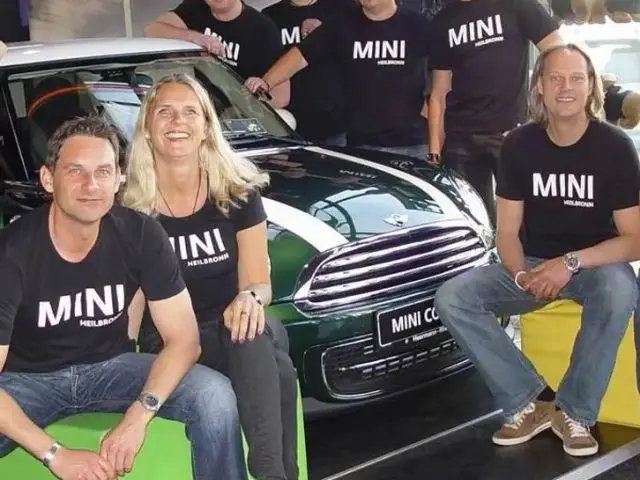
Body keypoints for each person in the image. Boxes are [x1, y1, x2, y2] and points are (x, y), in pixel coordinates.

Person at [0, 115, 246, 480]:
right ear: (48, 179)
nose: (91, 185)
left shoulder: (140, 233)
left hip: (111, 368)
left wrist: (138, 417)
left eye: (103, 172)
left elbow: (184, 341)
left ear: (119, 179)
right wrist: (55, 454)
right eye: (76, 171)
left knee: (213, 395)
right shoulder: (12, 252)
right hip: (28, 380)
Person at [434, 44, 640, 458]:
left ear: (591, 87)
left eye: (576, 78)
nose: (566, 87)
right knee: (453, 297)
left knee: (620, 289)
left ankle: (575, 412)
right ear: (539, 87)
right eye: (555, 78)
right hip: (531, 264)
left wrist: (570, 263)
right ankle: (530, 400)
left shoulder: (615, 147)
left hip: (592, 266)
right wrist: (521, 275)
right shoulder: (519, 144)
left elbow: (634, 239)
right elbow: (507, 233)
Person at [120, 73, 299, 480]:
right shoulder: (130, 205)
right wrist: (118, 361)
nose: (177, 122)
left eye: (190, 112)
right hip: (170, 339)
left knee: (249, 328)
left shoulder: (237, 192)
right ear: (147, 128)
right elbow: (131, 302)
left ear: (206, 127)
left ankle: (269, 472)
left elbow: (258, 284)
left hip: (233, 326)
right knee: (279, 370)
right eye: (165, 112)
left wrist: (249, 298)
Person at [427, 0, 563, 227]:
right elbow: (438, 93)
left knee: (527, 218)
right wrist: (434, 149)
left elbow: (558, 54)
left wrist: (547, 113)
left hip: (510, 132)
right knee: (474, 222)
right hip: (461, 137)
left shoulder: (516, 4)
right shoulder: (444, 20)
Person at [245, 0, 432, 160]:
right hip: (361, 145)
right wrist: (266, 82)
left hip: (414, 144)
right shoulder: (341, 24)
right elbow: (301, 56)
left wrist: (435, 141)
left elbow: (440, 75)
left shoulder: (418, 25)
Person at [144, 0, 290, 108]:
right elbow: (152, 30)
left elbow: (281, 97)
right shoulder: (195, 8)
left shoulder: (263, 29)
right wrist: (196, 37)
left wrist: (254, 96)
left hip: (241, 116)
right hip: (202, 109)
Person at [261, 0, 352, 146]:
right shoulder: (270, 16)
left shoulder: (342, 8)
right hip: (287, 123)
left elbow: (359, 57)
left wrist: (325, 33)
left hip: (334, 123)